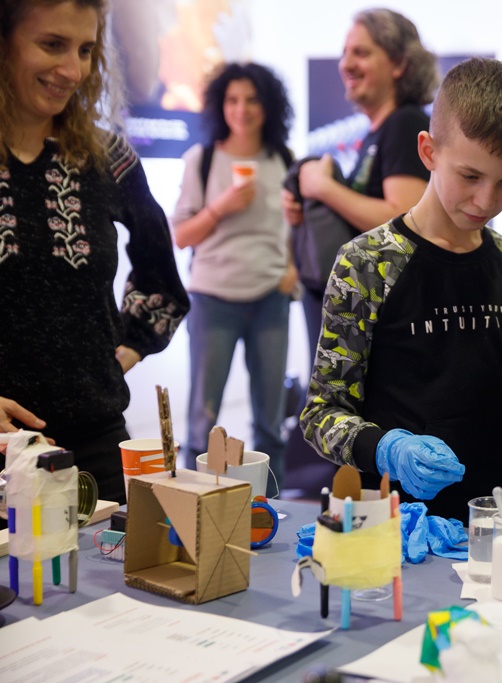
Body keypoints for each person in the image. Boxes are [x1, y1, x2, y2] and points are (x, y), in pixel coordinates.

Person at [299, 58, 502, 522]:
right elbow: (321, 413)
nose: (486, 201)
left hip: (500, 520)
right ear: (429, 151)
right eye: (470, 176)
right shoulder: (368, 263)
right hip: (396, 525)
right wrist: (386, 449)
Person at [0, 0, 189, 504]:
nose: (72, 70)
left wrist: (117, 356)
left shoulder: (108, 157)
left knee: (115, 584)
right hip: (3, 454)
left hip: (98, 450)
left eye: (85, 49)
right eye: (52, 44)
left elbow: (163, 284)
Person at [285, 8, 437, 369]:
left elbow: (404, 217)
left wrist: (323, 188)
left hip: (388, 315)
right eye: (345, 52)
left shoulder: (405, 123)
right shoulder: (381, 129)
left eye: (361, 53)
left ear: (399, 64)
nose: (346, 64)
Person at [171, 62, 295, 485]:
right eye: (232, 99)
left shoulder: (284, 160)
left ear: (268, 105)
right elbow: (181, 235)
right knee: (201, 421)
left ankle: (269, 512)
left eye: (252, 99)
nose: (242, 109)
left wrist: (292, 270)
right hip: (212, 299)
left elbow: (299, 226)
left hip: (270, 300)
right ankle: (192, 510)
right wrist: (220, 207)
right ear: (219, 105)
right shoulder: (202, 160)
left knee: (270, 423)